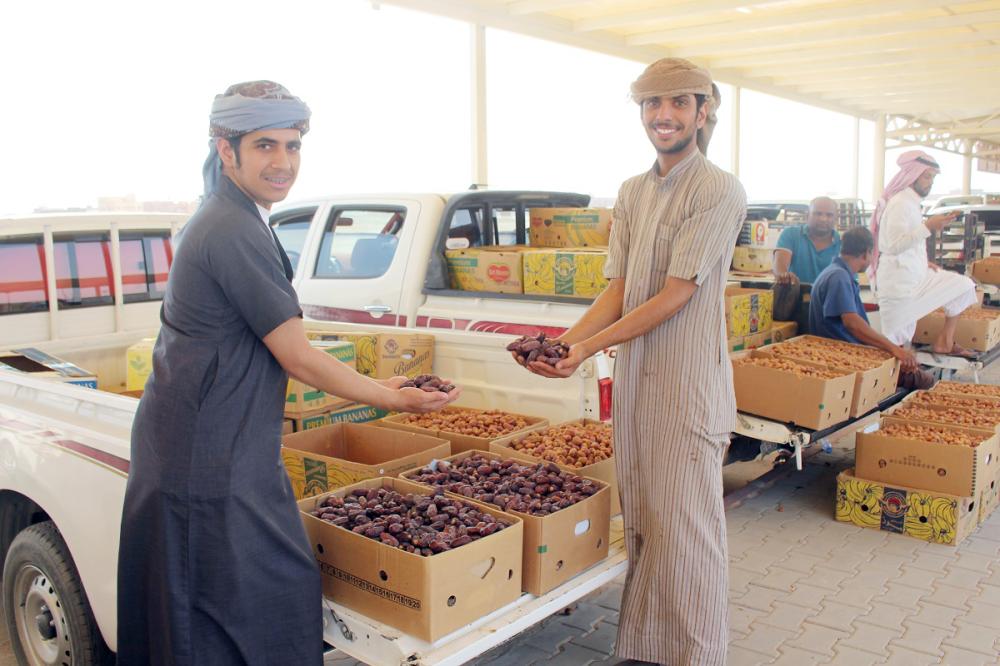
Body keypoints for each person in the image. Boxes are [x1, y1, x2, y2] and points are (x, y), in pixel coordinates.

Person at [116, 81, 458, 665]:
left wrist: (381, 386)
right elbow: (296, 354)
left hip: (222, 447)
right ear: (226, 151)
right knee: (243, 605)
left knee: (215, 607)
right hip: (207, 463)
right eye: (266, 146)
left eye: (293, 146)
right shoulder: (229, 228)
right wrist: (390, 399)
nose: (283, 163)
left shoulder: (236, 216)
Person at [513, 58, 746, 666]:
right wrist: (564, 344)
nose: (662, 116)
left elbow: (677, 292)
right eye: (651, 105)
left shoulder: (719, 188)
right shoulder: (632, 192)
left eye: (676, 104)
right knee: (647, 522)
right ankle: (649, 650)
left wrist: (589, 349)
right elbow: (618, 287)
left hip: (687, 390)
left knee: (688, 534)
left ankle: (700, 656)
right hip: (640, 389)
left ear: (702, 112)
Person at [870, 150, 977, 354]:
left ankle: (945, 341)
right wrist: (929, 226)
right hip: (899, 283)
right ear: (912, 175)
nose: (930, 182)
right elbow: (890, 246)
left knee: (963, 286)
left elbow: (909, 242)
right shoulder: (901, 203)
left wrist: (922, 261)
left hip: (915, 275)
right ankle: (890, 379)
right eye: (927, 176)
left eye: (933, 177)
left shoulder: (911, 202)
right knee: (895, 340)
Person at [809, 227, 934, 389]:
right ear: (866, 253)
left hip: (846, 351)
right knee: (925, 380)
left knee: (913, 366)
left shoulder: (835, 272)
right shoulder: (839, 277)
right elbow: (852, 324)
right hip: (842, 356)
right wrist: (894, 349)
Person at [773, 196, 841, 284]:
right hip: (797, 296)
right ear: (807, 216)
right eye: (818, 214)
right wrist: (784, 276)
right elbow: (780, 266)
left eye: (829, 215)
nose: (823, 219)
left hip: (831, 297)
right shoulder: (790, 234)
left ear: (836, 219)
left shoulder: (843, 243)